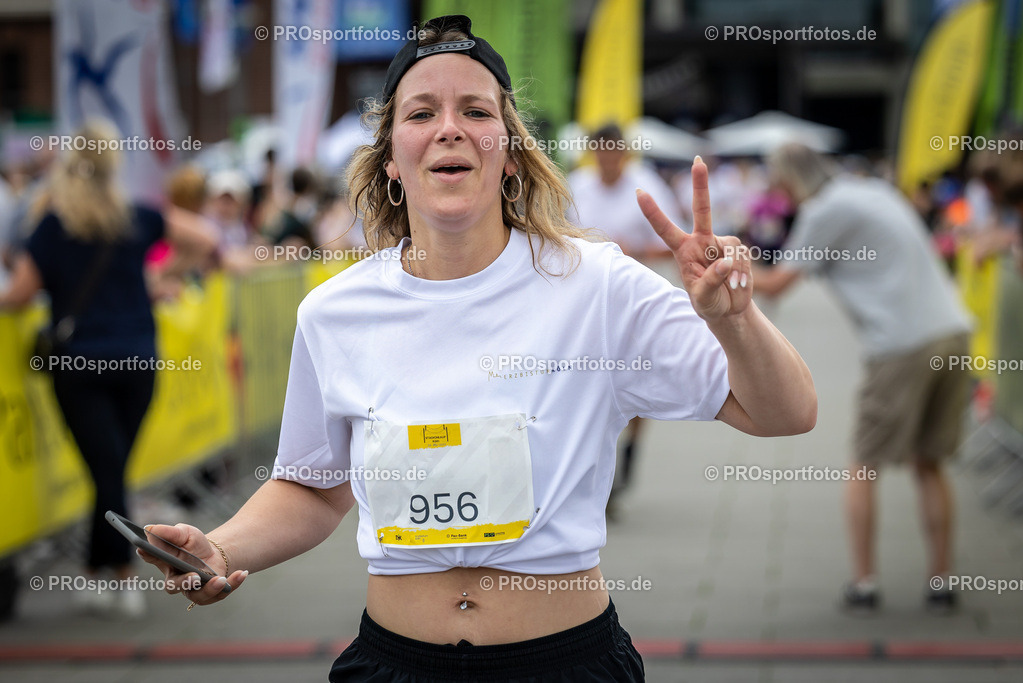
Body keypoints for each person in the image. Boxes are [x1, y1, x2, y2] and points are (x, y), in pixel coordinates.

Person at [139, 16, 815, 681]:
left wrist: (737, 319)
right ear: (392, 163)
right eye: (421, 112)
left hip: (564, 662)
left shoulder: (597, 284)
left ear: (510, 152)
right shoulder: (333, 312)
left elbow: (787, 411)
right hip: (393, 662)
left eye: (475, 110)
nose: (449, 128)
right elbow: (313, 489)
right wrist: (219, 546)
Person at [0, 119, 218, 618]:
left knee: (107, 470)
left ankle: (114, 574)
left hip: (81, 365)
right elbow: (203, 238)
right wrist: (161, 276)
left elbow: (19, 294)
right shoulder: (135, 217)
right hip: (138, 359)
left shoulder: (54, 225)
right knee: (113, 469)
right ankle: (109, 574)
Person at [753, 143, 972, 614]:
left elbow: (775, 286)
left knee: (863, 465)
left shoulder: (823, 212)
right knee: (929, 462)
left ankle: (865, 583)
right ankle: (941, 581)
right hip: (952, 332)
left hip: (901, 344)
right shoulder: (869, 188)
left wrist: (717, 260)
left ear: (791, 181)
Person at [567, 123, 682, 515]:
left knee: (638, 386)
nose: (607, 161)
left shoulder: (647, 186)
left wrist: (636, 250)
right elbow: (556, 235)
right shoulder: (577, 186)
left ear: (626, 153)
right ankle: (603, 473)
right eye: (600, 152)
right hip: (590, 300)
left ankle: (629, 451)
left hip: (638, 298)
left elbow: (675, 242)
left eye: (614, 153)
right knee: (596, 385)